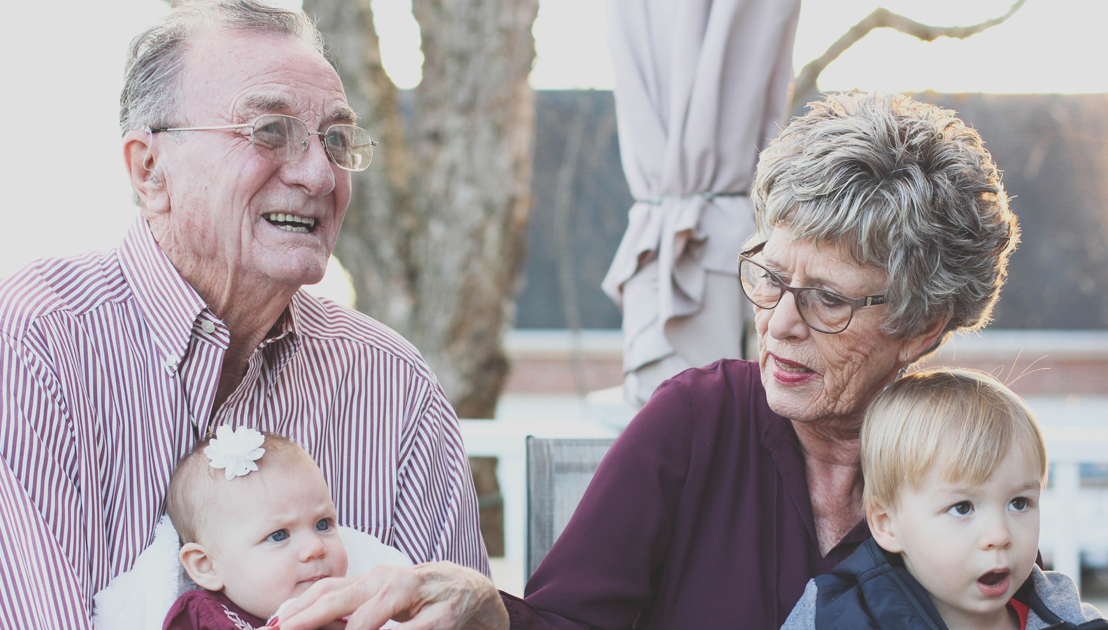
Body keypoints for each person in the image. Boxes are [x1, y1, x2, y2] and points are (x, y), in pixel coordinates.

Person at [270, 91, 1024, 630]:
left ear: (922, 326)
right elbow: (565, 621)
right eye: (768, 275)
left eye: (828, 299)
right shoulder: (696, 420)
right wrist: (491, 613)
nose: (779, 324)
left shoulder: (969, 459)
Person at [0, 1, 488, 626]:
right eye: (270, 130)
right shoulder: (18, 348)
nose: (321, 174)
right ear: (149, 168)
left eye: (338, 140)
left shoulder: (390, 382)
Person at [782, 369, 1106, 630]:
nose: (999, 535)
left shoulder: (1068, 617)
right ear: (887, 525)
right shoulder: (836, 618)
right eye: (962, 507)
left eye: (1019, 503)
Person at [162, 427, 350, 629]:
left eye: (323, 524)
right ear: (207, 566)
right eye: (279, 535)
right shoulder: (204, 616)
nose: (316, 547)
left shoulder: (361, 601)